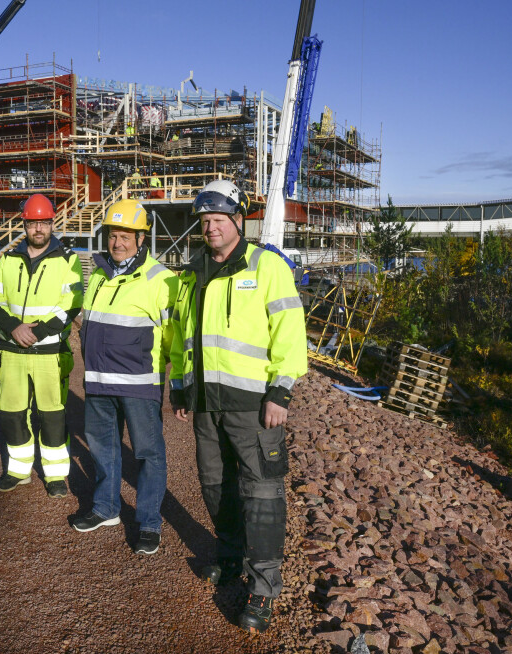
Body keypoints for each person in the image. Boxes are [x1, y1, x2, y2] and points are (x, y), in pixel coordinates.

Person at [169, 180, 307, 633]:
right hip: (206, 404)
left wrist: (281, 391)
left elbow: (289, 331)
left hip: (253, 405)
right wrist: (180, 387)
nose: (211, 228)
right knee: (215, 485)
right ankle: (230, 557)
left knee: (262, 492)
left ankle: (263, 588)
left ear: (238, 221)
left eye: (219, 220)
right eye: (205, 220)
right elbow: (181, 336)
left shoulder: (266, 267)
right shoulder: (192, 273)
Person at [71, 200, 179, 555]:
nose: (118, 243)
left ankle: (148, 523)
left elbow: (175, 337)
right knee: (103, 448)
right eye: (113, 235)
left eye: (126, 237)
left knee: (148, 454)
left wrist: (177, 381)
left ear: (141, 238)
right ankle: (105, 508)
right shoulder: (99, 274)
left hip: (139, 384)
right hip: (98, 380)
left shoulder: (162, 279)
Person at [0, 193, 83, 497]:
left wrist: (38, 332)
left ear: (52, 223)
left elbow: (72, 304)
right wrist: (13, 327)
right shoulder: (8, 259)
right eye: (32, 223)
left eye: (44, 222)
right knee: (12, 413)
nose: (38, 229)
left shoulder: (68, 260)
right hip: (12, 350)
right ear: (24, 225)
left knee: (52, 416)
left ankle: (55, 475)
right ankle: (18, 470)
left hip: (49, 351)